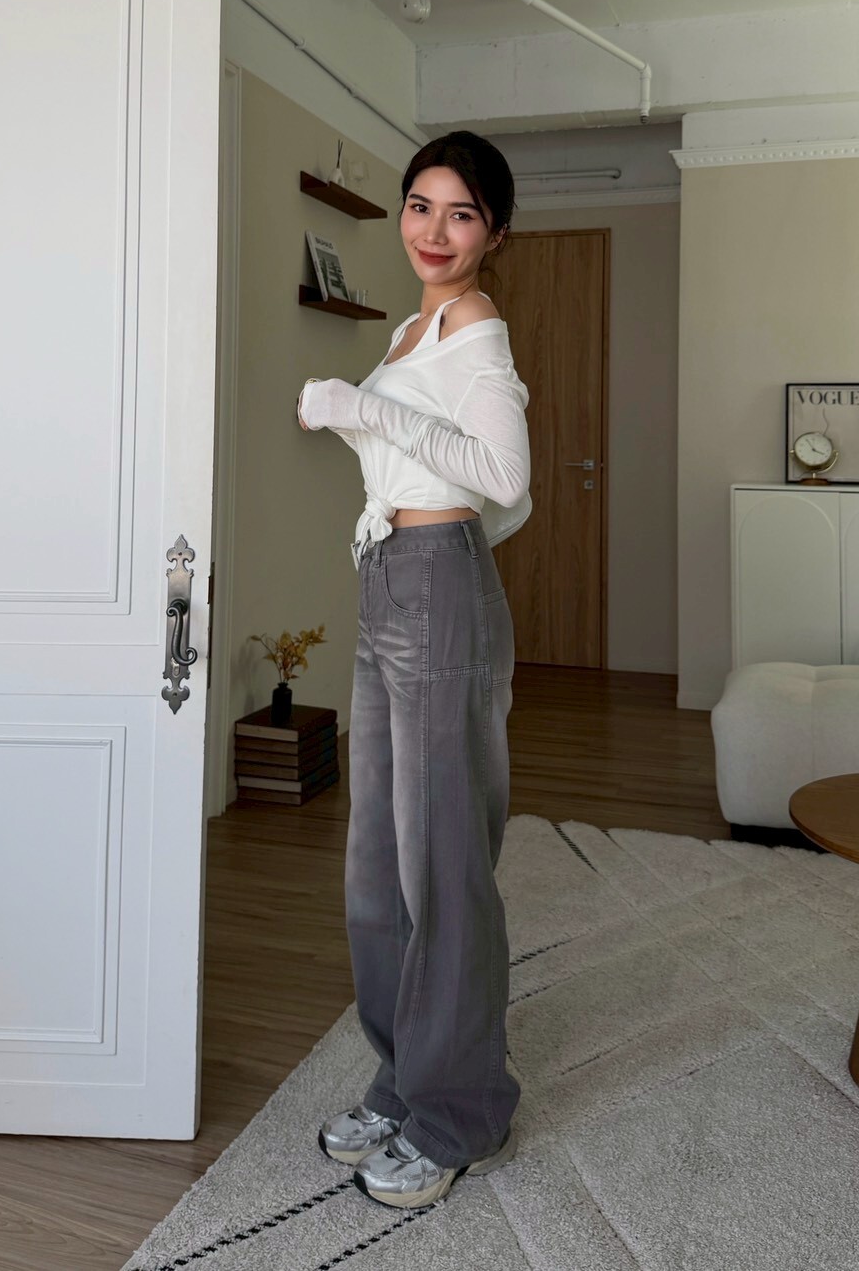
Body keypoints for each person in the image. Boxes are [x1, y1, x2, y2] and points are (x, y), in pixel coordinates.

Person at [295, 131, 532, 1210]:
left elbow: (500, 475)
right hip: (388, 573)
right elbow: (412, 453)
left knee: (442, 862)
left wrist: (362, 407)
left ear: (494, 232)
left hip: (436, 584)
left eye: (462, 213)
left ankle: (459, 1111)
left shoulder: (477, 328)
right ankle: (403, 1078)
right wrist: (357, 422)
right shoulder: (410, 329)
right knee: (377, 866)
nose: (434, 231)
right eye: (420, 206)